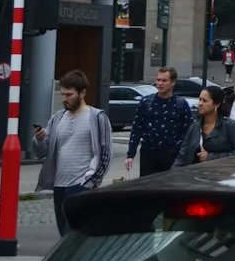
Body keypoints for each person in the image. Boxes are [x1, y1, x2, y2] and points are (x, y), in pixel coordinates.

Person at [32, 69, 112, 236]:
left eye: (69, 94)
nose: (64, 99)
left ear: (82, 93)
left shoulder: (97, 117)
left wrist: (90, 183)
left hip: (81, 185)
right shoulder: (57, 119)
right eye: (62, 94)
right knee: (64, 234)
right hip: (59, 186)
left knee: (76, 234)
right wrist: (39, 140)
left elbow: (105, 154)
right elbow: (42, 153)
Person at [125, 67, 192, 175]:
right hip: (149, 155)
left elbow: (189, 131)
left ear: (173, 82)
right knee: (148, 188)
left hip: (173, 155)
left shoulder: (181, 104)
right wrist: (130, 155)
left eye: (164, 80)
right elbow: (137, 129)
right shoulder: (146, 102)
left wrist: (186, 154)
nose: (160, 83)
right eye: (158, 80)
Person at [174, 87, 235, 167]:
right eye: (200, 99)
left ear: (216, 104)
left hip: (221, 174)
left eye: (204, 101)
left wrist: (210, 157)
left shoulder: (229, 125)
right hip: (195, 174)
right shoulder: (194, 127)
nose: (200, 104)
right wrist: (171, 174)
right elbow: (182, 156)